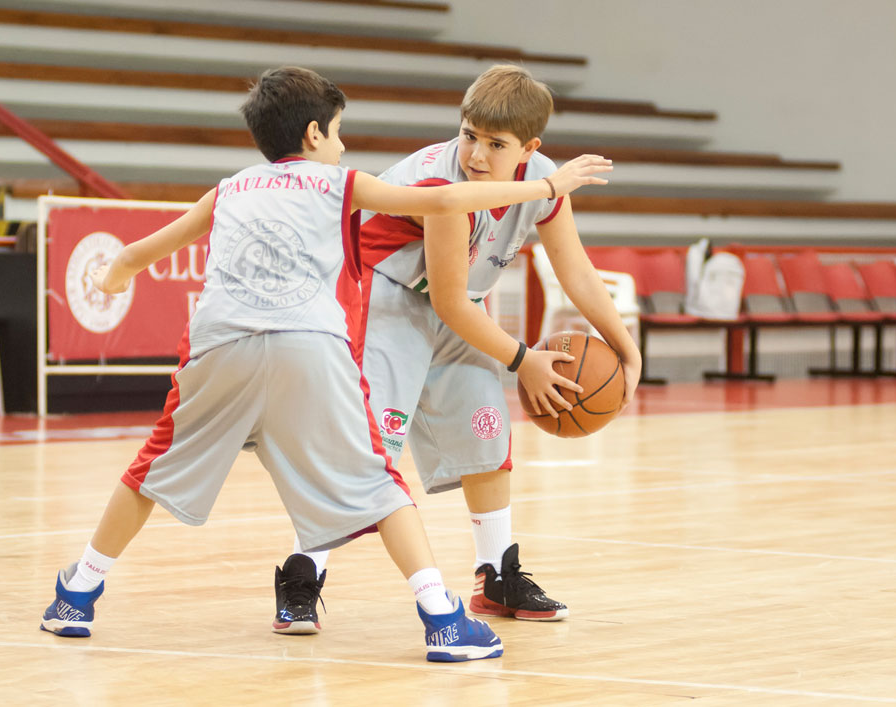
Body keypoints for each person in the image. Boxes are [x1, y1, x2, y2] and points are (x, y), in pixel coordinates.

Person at [38, 66, 613, 663]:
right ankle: (441, 616)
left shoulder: (229, 188)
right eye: (338, 132)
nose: (342, 144)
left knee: (150, 471)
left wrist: (111, 277)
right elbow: (446, 200)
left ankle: (78, 593)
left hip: (217, 349)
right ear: (315, 135)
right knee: (375, 479)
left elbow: (134, 255)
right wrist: (547, 188)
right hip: (309, 344)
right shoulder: (339, 183)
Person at [273, 64, 642, 634]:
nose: (476, 153)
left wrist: (626, 347)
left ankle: (496, 575)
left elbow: (575, 269)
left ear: (529, 149)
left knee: (488, 430)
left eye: (496, 144)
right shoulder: (438, 182)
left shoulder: (542, 180)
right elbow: (447, 302)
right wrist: (524, 359)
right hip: (383, 295)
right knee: (368, 448)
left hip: (459, 305)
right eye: (469, 135)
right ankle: (303, 571)